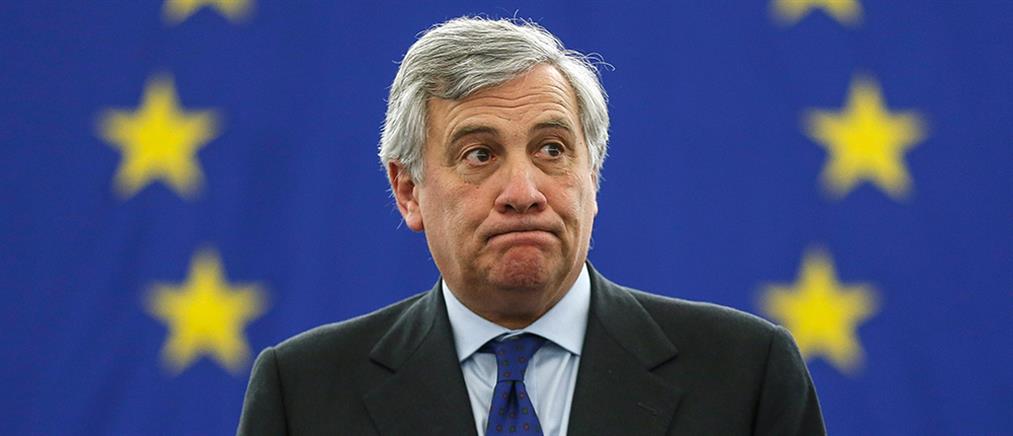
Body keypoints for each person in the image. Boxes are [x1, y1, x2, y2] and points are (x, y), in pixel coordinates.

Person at [237, 16, 825, 436]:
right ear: (408, 190)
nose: (523, 192)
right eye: (479, 154)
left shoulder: (746, 375)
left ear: (592, 177)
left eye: (551, 149)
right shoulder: (303, 393)